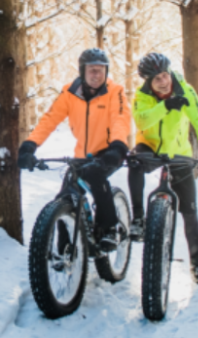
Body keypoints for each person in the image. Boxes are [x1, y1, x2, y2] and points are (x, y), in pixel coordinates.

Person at [17, 48, 131, 250]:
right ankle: (64, 249)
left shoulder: (115, 91)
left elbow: (120, 119)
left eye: (100, 70)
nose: (96, 75)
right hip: (82, 156)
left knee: (96, 177)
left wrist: (118, 147)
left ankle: (110, 228)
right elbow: (50, 120)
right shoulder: (70, 93)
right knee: (64, 198)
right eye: (91, 70)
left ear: (106, 72)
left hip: (110, 151)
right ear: (82, 71)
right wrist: (30, 145)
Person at [127, 52, 198, 283]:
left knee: (189, 210)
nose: (163, 81)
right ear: (148, 82)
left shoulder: (185, 91)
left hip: (179, 152)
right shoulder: (142, 96)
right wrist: (166, 106)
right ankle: (139, 218)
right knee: (134, 162)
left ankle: (196, 262)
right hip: (149, 147)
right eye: (156, 79)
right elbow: (141, 121)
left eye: (164, 75)